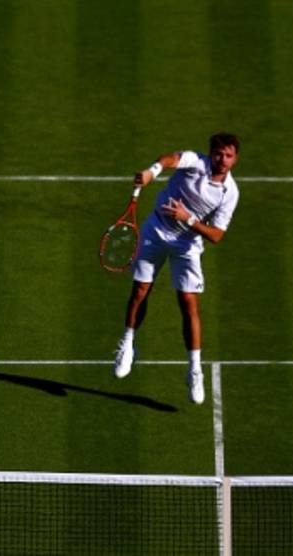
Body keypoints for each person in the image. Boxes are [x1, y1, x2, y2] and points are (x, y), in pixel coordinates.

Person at [112, 133, 240, 404]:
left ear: (235, 159)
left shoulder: (230, 193)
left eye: (228, 155)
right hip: (156, 231)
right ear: (211, 153)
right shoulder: (196, 162)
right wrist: (152, 171)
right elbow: (170, 159)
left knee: (188, 303)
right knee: (140, 290)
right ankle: (128, 344)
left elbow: (216, 235)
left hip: (187, 245)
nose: (222, 160)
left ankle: (194, 370)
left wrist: (188, 218)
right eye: (218, 153)